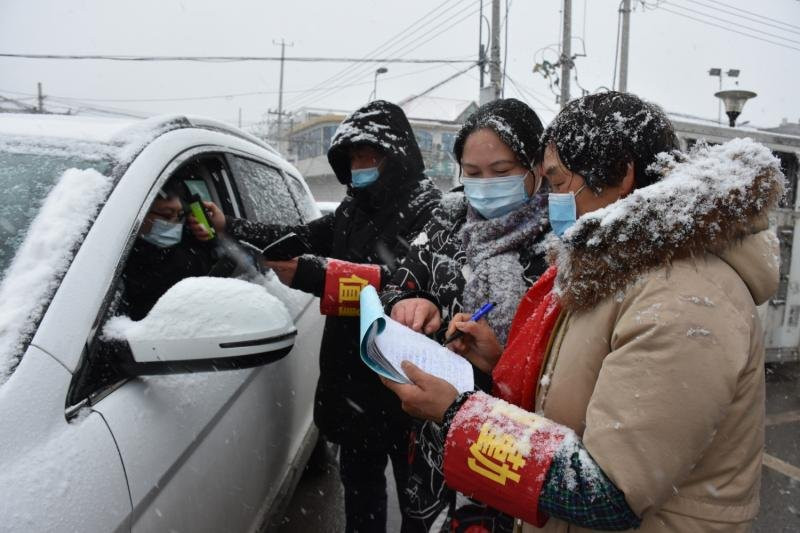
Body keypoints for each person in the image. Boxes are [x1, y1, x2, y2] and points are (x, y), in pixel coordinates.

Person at [382, 91, 782, 532]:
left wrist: (458, 414)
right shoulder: (619, 270)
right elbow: (583, 406)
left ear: (622, 174)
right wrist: (497, 361)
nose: (551, 199)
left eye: (556, 183)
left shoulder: (682, 297)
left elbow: (606, 492)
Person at [193, 100, 442, 532]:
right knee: (361, 499)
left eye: (371, 156)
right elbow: (301, 238)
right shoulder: (352, 208)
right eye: (353, 158)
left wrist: (315, 274)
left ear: (397, 155)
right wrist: (230, 226)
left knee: (417, 506)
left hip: (405, 384)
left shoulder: (430, 211)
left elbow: (408, 284)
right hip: (353, 385)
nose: (361, 166)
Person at [379, 98, 549, 532]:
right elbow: (401, 280)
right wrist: (409, 302)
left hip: (516, 447)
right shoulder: (447, 221)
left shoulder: (559, 243)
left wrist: (501, 360)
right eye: (472, 174)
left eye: (502, 170)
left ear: (537, 166)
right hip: (436, 438)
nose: (485, 184)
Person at [121, 181, 233, 320]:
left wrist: (213, 237)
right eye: (167, 215)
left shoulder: (193, 250)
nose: (174, 223)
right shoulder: (116, 256)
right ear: (138, 213)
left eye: (180, 215)